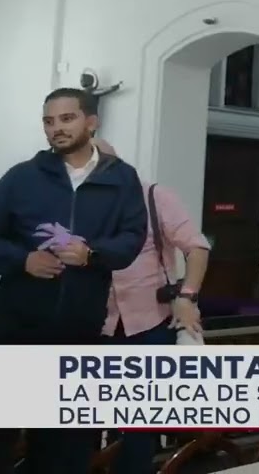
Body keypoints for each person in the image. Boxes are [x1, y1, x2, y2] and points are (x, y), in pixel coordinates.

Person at [0, 88, 148, 474]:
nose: (56, 129)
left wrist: (92, 254)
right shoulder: (22, 177)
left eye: (66, 119)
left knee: (64, 449)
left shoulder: (122, 180)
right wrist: (23, 261)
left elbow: (131, 239)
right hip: (11, 331)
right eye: (49, 122)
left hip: (77, 333)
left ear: (91, 121)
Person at [92, 138, 212, 474]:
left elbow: (197, 248)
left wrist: (187, 296)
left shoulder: (153, 197)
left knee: (137, 427)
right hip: (95, 325)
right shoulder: (79, 206)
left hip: (148, 325)